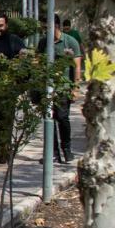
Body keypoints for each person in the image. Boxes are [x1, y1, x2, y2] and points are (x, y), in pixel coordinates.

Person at [39, 13, 83, 163]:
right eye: (43, 28)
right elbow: (39, 63)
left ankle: (67, 149)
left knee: (62, 118)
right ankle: (53, 152)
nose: (45, 31)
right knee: (48, 118)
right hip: (47, 88)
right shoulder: (43, 43)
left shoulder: (70, 41)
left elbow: (77, 67)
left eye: (47, 28)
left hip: (64, 87)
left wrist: (75, 88)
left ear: (56, 26)